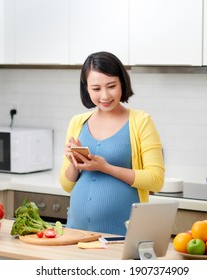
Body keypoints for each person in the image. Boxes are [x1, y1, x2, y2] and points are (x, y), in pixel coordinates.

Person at [59, 51, 164, 235]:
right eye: (96, 89)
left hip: (121, 235)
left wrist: (105, 167)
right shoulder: (78, 122)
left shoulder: (141, 121)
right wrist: (73, 162)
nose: (105, 96)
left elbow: (156, 181)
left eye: (111, 86)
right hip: (75, 233)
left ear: (122, 82)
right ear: (87, 89)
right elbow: (66, 185)